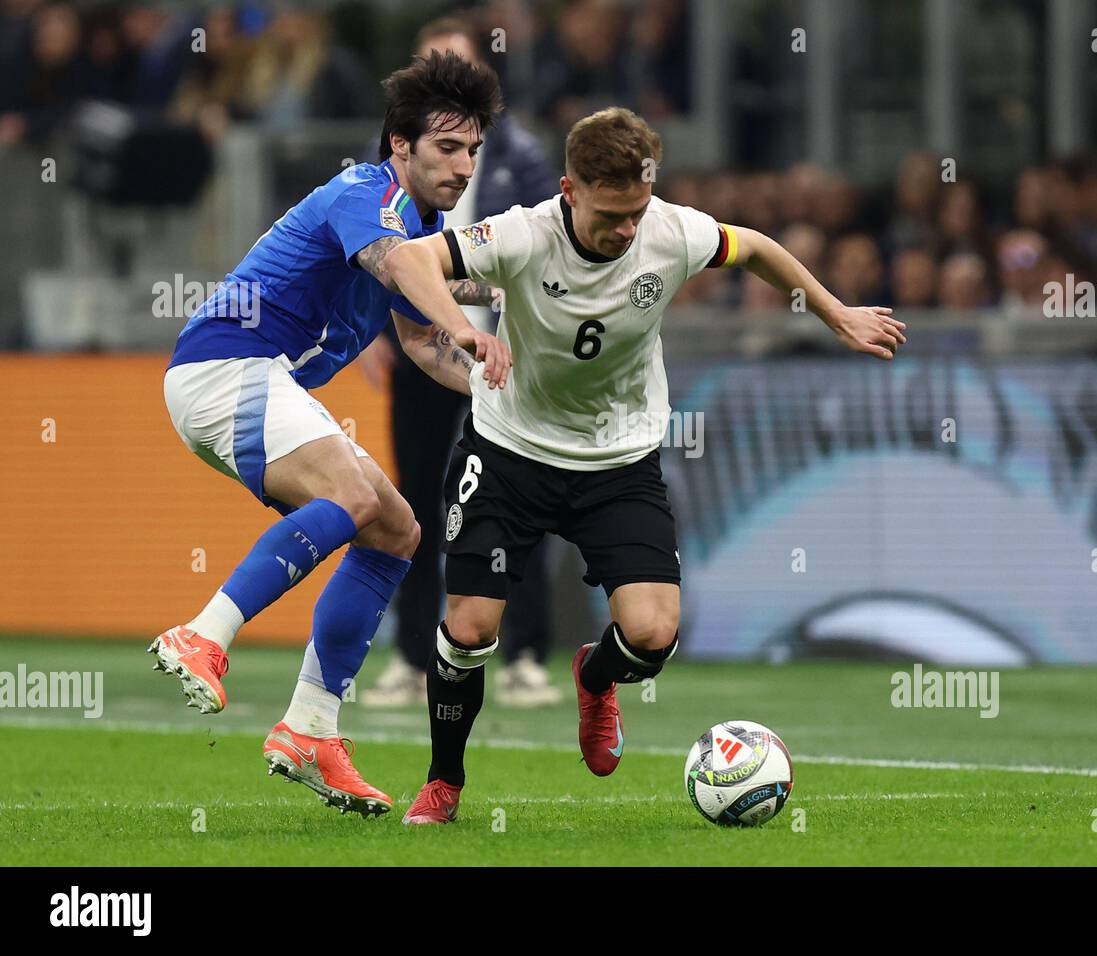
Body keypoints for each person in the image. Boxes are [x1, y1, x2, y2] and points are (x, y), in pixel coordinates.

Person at [399, 107, 906, 824]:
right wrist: (459, 329)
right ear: (570, 191)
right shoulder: (522, 232)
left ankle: (594, 677)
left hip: (617, 458)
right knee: (473, 626)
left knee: (653, 635)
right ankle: (444, 780)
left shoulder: (670, 230)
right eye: (612, 213)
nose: (629, 229)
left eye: (637, 209)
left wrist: (836, 312)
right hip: (509, 450)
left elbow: (756, 246)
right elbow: (414, 259)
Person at [152, 52, 508, 817]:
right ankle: (202, 634)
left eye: (473, 150)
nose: (462, 164)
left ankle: (312, 726)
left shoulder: (424, 227)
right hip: (227, 367)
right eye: (447, 147)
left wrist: (501, 389)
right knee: (352, 494)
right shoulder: (364, 192)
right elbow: (405, 274)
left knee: (396, 529)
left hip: (251, 383)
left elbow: (419, 345)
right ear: (400, 146)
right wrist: (471, 321)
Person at [360, 18, 561, 710]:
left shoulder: (519, 156)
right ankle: (412, 656)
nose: (460, 161)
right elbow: (387, 262)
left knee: (515, 505)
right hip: (431, 353)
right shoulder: (386, 173)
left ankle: (526, 655)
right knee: (411, 502)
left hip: (502, 356)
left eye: (456, 65)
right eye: (430, 65)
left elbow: (549, 250)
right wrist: (393, 335)